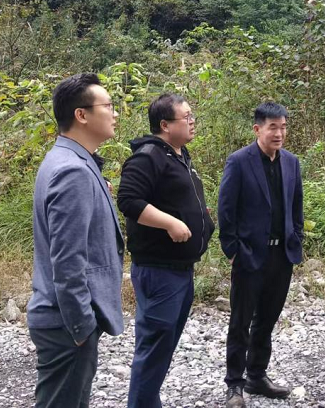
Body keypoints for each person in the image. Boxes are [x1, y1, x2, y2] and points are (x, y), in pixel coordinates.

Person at [27, 73, 125, 408]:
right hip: (66, 323)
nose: (115, 113)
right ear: (81, 115)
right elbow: (68, 261)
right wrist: (82, 326)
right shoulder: (73, 171)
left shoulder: (69, 160)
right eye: (108, 106)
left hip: (63, 320)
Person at [117, 93, 215, 408]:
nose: (192, 121)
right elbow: (128, 200)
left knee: (163, 348)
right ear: (164, 125)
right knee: (154, 348)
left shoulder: (179, 155)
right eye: (186, 117)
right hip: (159, 271)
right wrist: (171, 223)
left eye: (192, 115)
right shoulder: (148, 156)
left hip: (181, 269)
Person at [218, 102, 304, 408]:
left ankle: (256, 375)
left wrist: (297, 238)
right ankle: (234, 384)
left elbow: (296, 206)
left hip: (282, 255)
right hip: (249, 255)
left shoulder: (291, 162)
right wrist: (232, 250)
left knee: (267, 319)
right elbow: (226, 209)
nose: (279, 133)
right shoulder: (239, 161)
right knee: (241, 321)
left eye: (283, 127)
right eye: (273, 127)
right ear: (258, 129)